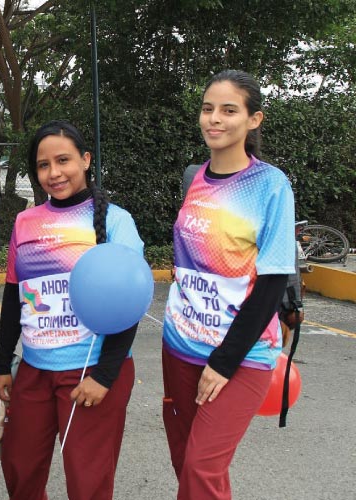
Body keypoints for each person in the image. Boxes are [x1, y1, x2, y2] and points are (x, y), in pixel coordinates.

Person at [0, 120, 144, 500]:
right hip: (35, 369)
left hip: (90, 371)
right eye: (43, 165)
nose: (54, 173)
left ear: (86, 160)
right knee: (20, 467)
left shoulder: (115, 222)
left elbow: (130, 306)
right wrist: (0, 363)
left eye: (63, 161)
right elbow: (13, 297)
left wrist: (105, 376)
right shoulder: (26, 222)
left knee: (87, 480)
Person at [161, 69, 296, 499]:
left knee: (202, 467)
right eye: (207, 109)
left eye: (228, 110)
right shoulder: (194, 177)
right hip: (180, 345)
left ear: (254, 119)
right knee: (187, 463)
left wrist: (224, 361)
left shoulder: (270, 185)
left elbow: (272, 284)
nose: (213, 119)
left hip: (241, 354)